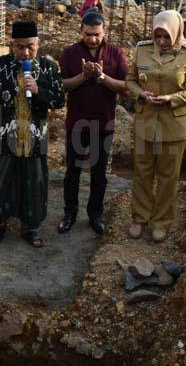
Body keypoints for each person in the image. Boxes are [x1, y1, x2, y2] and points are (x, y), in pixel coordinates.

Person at [0, 21, 65, 247]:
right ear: (12, 45)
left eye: (30, 46)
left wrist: (38, 90)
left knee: (33, 184)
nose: (25, 52)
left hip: (35, 139)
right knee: (1, 182)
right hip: (3, 139)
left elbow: (59, 100)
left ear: (38, 44)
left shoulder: (48, 68)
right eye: (20, 46)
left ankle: (30, 228)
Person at [125, 10, 186, 242]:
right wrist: (141, 94)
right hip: (146, 121)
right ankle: (139, 218)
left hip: (174, 125)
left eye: (166, 37)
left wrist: (172, 98)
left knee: (168, 176)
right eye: (157, 36)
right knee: (142, 173)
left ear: (176, 33)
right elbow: (129, 81)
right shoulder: (142, 50)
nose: (161, 42)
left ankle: (161, 222)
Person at [58, 12, 128, 236]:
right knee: (73, 171)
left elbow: (126, 86)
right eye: (88, 34)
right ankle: (69, 213)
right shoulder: (70, 53)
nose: (93, 39)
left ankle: (95, 215)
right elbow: (61, 85)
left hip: (103, 122)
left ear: (104, 32)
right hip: (76, 122)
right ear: (81, 31)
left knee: (99, 173)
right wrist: (83, 76)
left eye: (97, 34)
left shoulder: (116, 53)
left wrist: (101, 77)